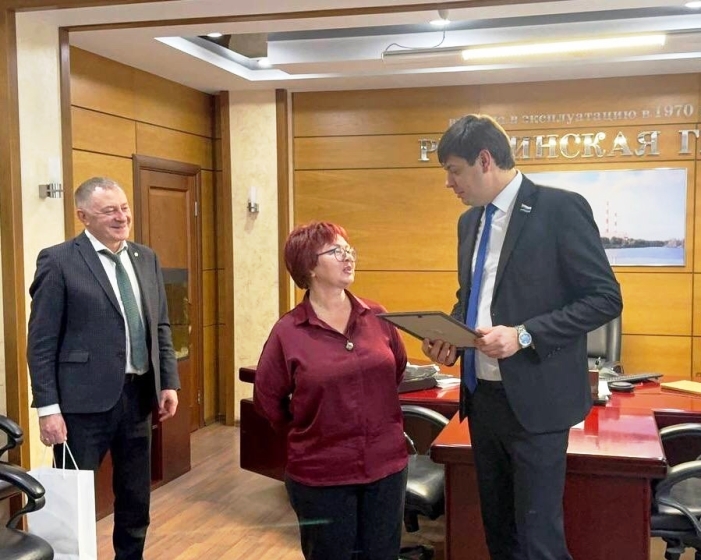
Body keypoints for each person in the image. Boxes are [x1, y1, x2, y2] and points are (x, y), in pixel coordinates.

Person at [422, 115, 622, 560]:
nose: (449, 183)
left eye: (454, 170)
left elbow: (605, 298)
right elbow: (471, 298)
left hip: (537, 401)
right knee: (500, 534)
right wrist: (450, 334)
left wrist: (525, 335)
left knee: (538, 541)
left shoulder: (560, 209)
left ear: (485, 160)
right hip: (483, 400)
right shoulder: (468, 223)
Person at [27, 176, 180, 560]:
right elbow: (41, 341)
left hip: (138, 397)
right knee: (73, 500)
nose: (121, 217)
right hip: (80, 406)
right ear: (83, 216)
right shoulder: (59, 260)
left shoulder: (146, 258)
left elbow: (160, 325)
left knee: (135, 498)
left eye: (124, 208)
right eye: (109, 211)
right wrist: (48, 409)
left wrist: (168, 381)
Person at [254, 221, 408, 560]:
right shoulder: (288, 331)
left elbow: (395, 370)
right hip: (321, 474)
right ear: (308, 266)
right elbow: (267, 400)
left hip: (386, 466)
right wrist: (308, 430)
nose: (348, 257)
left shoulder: (377, 315)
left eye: (349, 250)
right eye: (336, 251)